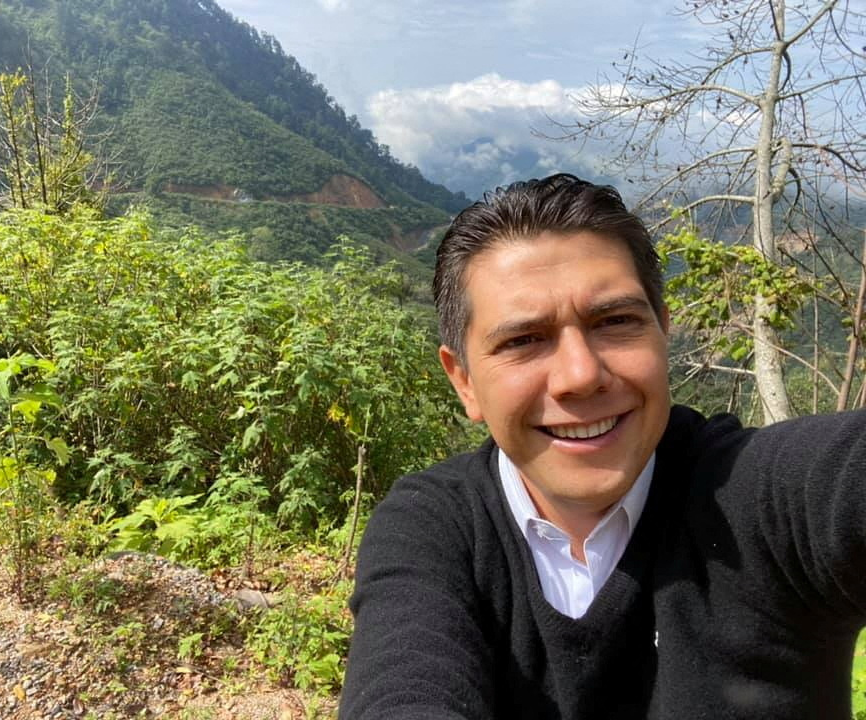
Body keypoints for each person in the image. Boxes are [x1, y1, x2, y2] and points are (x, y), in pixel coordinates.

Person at [338, 174, 866, 719]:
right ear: (465, 381)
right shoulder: (436, 528)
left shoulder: (759, 500)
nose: (581, 375)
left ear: (663, 333)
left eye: (615, 322)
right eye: (523, 340)